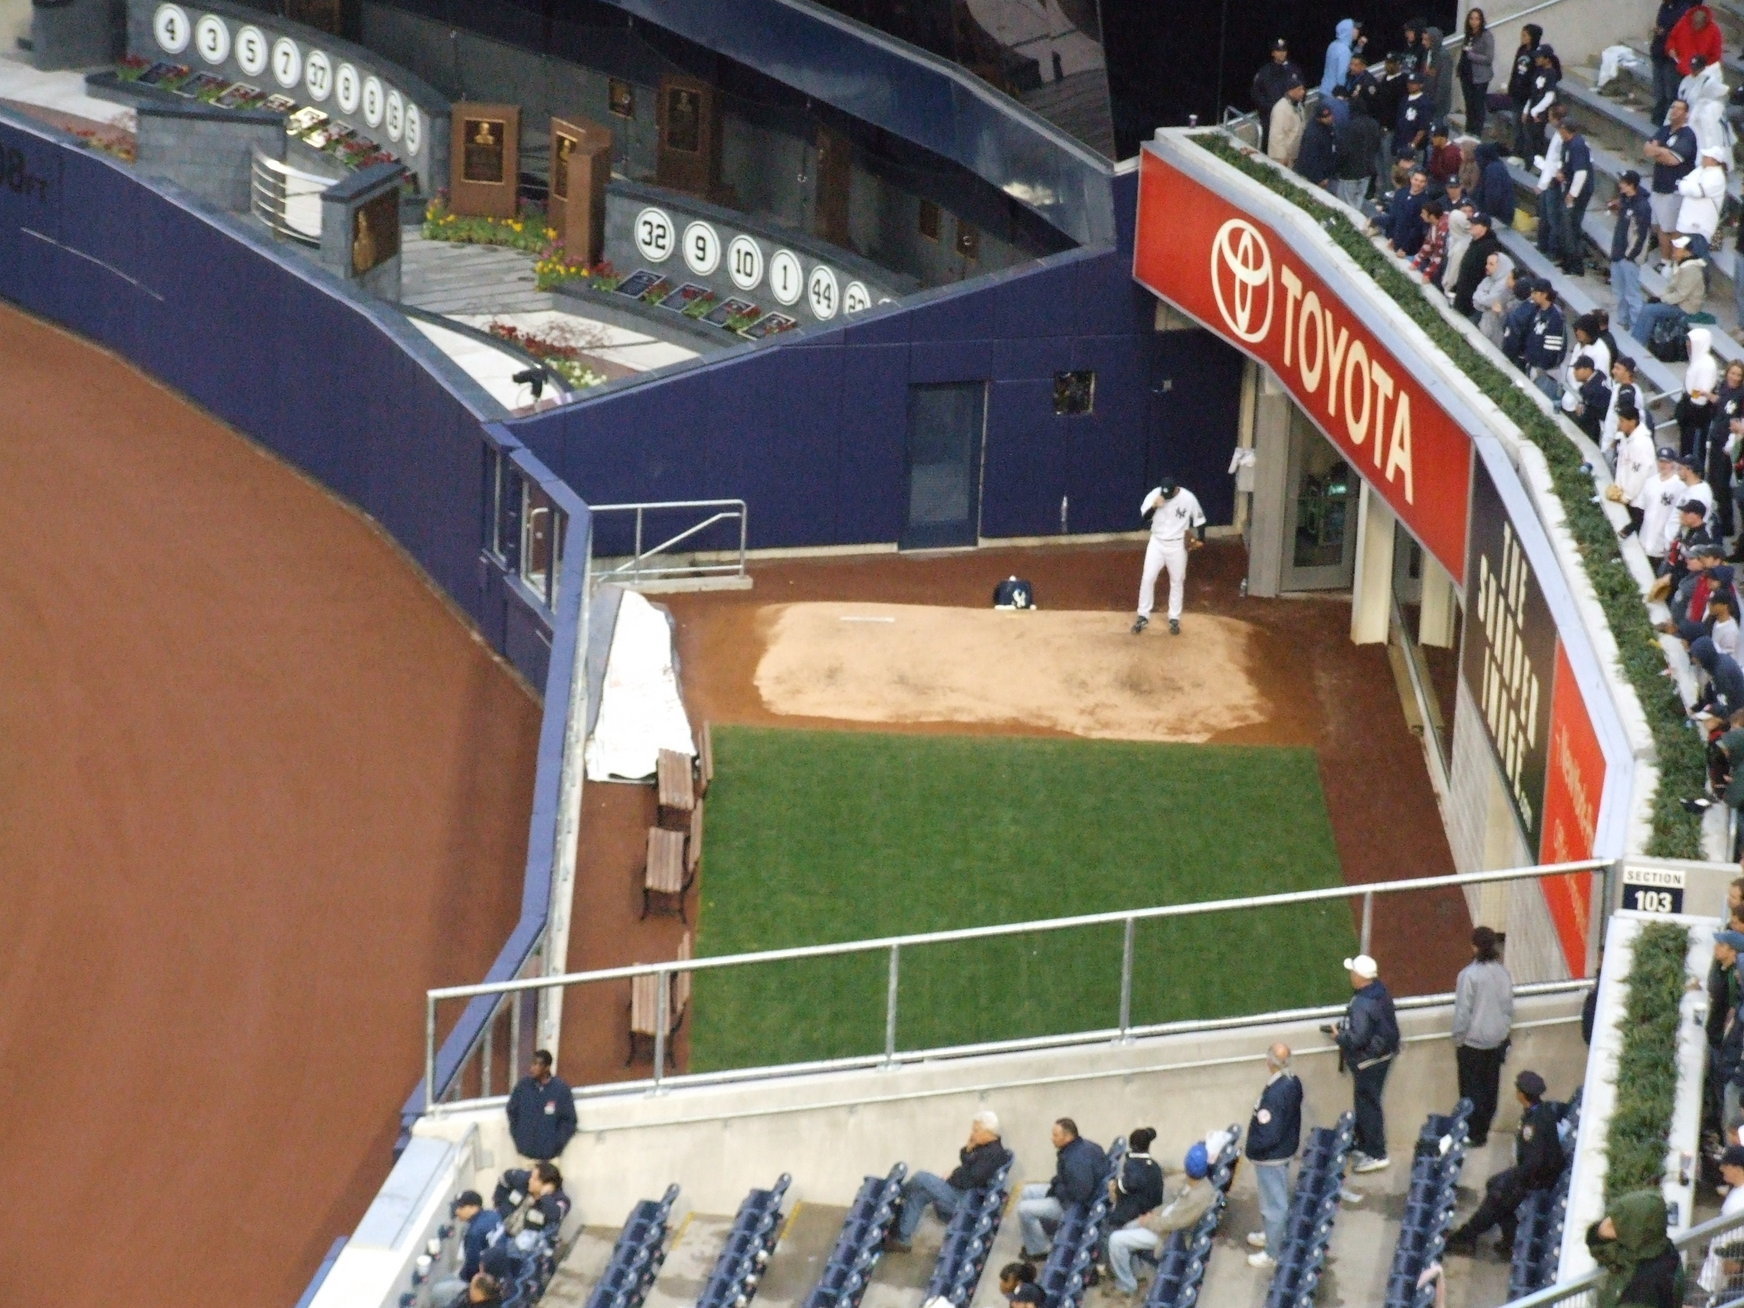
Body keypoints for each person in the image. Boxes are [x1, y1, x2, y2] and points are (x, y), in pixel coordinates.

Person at [1445, 1071, 1568, 1254]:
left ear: (1522, 1095)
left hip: (1537, 1178)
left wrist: (1514, 1177)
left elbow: (1534, 1162)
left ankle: (1466, 1237)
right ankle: (1509, 1241)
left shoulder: (1533, 1124)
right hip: (1536, 1172)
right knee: (1496, 1187)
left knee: (1498, 1195)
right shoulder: (1542, 1111)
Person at [888, 1109, 1012, 1250]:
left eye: (976, 1130)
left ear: (987, 1132)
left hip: (965, 1200)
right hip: (961, 1193)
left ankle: (897, 1193)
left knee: (921, 1177)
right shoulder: (984, 1147)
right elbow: (967, 1165)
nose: (972, 1133)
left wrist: (952, 1176)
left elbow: (969, 1180)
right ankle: (902, 1241)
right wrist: (969, 1148)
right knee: (920, 1194)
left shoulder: (993, 1154)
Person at [1106, 1143, 1215, 1296]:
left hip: (1170, 1237)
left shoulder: (1197, 1197)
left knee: (1115, 1240)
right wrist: (1153, 1214)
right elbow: (1173, 1206)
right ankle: (1138, 1272)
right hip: (1164, 1222)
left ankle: (1127, 1285)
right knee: (1128, 1227)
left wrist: (1149, 1221)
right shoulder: (1201, 1183)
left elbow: (1172, 1224)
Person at [1331, 953, 1399, 1172]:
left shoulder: (1362, 1002)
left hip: (1369, 1061)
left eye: (1353, 972)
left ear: (1360, 976)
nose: (1350, 975)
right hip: (1382, 1055)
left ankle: (1376, 1153)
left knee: (1368, 1105)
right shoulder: (1380, 991)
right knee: (1367, 1103)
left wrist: (1339, 1036)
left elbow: (1357, 1038)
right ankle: (1365, 1144)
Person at [1451, 926, 1514, 1146]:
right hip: (1496, 1042)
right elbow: (1508, 1008)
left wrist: (1458, 1039)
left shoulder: (1468, 976)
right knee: (1490, 1090)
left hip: (1472, 1044)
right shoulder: (1503, 973)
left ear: (1475, 947)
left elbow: (1462, 1012)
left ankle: (1473, 1133)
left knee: (1471, 1091)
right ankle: (1481, 1131)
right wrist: (1503, 1033)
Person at [1244, 1043, 1303, 1271]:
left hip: (1271, 1156)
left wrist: (1252, 1148)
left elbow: (1269, 1132)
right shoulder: (1292, 1081)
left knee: (1274, 1205)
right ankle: (1271, 1234)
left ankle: (1272, 1252)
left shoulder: (1276, 1093)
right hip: (1282, 1150)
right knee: (1272, 1201)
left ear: (1270, 1062)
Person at [1017, 1118, 1109, 1259]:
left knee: (1023, 1209)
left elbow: (1081, 1194)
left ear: (1067, 1137)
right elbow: (1066, 1179)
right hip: (1070, 1193)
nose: (1051, 1138)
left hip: (1076, 1207)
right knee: (1027, 1191)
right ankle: (1037, 1237)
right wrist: (1056, 1185)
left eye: (1055, 1135)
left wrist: (1056, 1189)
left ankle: (1039, 1250)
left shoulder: (1075, 1160)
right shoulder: (1085, 1146)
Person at [1131, 477, 1205, 637]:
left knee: (1177, 580)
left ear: (1176, 489)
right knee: (1148, 577)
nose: (1166, 497)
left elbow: (1199, 520)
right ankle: (1143, 615)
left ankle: (1174, 618)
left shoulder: (1188, 498)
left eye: (1169, 494)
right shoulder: (1155, 495)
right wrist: (1154, 506)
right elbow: (1144, 518)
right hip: (1156, 543)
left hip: (1177, 545)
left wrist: (1201, 539)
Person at [1586, 1191, 1684, 1308]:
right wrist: (1599, 1234)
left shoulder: (1640, 1291)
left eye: (1620, 1222)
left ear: (1636, 1230)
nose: (1609, 1223)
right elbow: (1603, 1249)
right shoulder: (1660, 1248)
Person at [429, 1192, 506, 1305]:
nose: (456, 1211)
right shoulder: (493, 1215)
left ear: (473, 1207)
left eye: (460, 1207)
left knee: (437, 1291)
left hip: (483, 1284)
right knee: (447, 1279)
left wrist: (461, 1278)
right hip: (500, 1272)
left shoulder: (474, 1233)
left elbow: (472, 1268)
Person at [1645, 100, 1698, 266]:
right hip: (1659, 185)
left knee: (1671, 228)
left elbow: (1673, 160)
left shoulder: (1687, 135)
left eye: (1678, 108)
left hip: (1674, 188)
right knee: (1659, 226)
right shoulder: (1665, 129)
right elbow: (1647, 149)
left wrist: (1659, 151)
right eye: (1672, 107)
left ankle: (1672, 262)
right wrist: (1662, 151)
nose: (1674, 111)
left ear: (1686, 114)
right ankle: (1664, 260)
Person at [505, 1049, 577, 1162]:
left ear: (547, 1067)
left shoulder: (560, 1090)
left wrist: (556, 1144)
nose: (532, 1068)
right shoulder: (523, 1087)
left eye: (537, 1064)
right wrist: (519, 1138)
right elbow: (512, 1111)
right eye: (532, 1064)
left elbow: (569, 1121)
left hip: (550, 1157)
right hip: (525, 1154)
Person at [1633, 237, 1706, 347]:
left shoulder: (1691, 269)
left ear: (1686, 251)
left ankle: (1638, 343)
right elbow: (1671, 288)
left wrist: (1662, 299)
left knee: (1649, 310)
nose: (1674, 251)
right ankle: (1639, 340)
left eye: (1677, 249)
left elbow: (1681, 295)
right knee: (1647, 306)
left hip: (1686, 307)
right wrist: (1661, 298)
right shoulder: (1681, 264)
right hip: (1678, 303)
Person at [1609, 172, 1654, 332]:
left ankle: (1637, 328)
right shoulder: (1626, 200)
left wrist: (1631, 256)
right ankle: (1623, 321)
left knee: (1632, 294)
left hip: (1629, 257)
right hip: (1617, 253)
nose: (1620, 185)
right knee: (1619, 292)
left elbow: (1641, 235)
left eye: (1623, 182)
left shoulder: (1642, 206)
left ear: (1631, 185)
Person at [1697, 1146, 1744, 1301]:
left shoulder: (1740, 1202)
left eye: (1726, 1164)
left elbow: (1736, 1237)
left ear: (1738, 1168)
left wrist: (1732, 1259)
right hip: (1714, 1273)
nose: (1721, 1168)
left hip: (1719, 1278)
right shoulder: (1737, 1191)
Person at [1552, 118, 1594, 274]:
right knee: (1567, 224)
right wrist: (1561, 171)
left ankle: (1575, 264)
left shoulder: (1577, 146)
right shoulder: (1567, 143)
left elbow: (1581, 172)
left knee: (1571, 225)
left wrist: (1572, 194)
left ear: (1565, 130)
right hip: (1570, 187)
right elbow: (1565, 162)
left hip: (1579, 192)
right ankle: (1567, 259)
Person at [1253, 38, 1306, 153]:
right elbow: (1257, 94)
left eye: (1284, 50)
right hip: (1270, 116)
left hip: (1290, 115)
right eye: (1278, 51)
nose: (1282, 53)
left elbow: (1302, 91)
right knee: (1270, 146)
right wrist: (1271, 108)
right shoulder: (1264, 72)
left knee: (1291, 144)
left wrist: (1296, 107)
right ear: (1273, 53)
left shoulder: (1294, 70)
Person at [1335, 90, 1382, 208]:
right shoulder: (1374, 124)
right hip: (1367, 170)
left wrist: (1337, 167)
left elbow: (1343, 150)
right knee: (1358, 203)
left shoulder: (1350, 126)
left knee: (1346, 205)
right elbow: (1376, 145)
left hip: (1350, 172)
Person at [1652, 0, 1696, 123]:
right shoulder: (1666, 6)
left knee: (1669, 92)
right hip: (1659, 51)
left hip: (1672, 58)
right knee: (1659, 89)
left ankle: (1667, 120)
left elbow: (1680, 34)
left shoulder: (1683, 9)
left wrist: (1665, 33)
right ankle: (1658, 116)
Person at [1452, 211, 1502, 317]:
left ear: (1484, 228)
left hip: (1472, 301)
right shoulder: (1475, 242)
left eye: (1475, 224)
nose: (1471, 226)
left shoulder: (1490, 247)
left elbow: (1486, 275)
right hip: (1463, 295)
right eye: (1471, 223)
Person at [1524, 279, 1568, 399]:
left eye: (1535, 293)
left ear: (1544, 294)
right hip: (1531, 364)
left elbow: (1551, 351)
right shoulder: (1537, 310)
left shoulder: (1555, 318)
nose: (1532, 296)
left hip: (1544, 373)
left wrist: (1540, 369)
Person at [1507, 25, 1544, 157]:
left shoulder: (1536, 55)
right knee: (1516, 122)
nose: (1522, 38)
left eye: (1525, 35)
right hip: (1517, 92)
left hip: (1527, 94)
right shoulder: (1521, 50)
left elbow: (1534, 76)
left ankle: (1525, 153)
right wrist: (1511, 86)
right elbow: (1515, 69)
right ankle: (1516, 150)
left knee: (1525, 126)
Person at [1459, 9, 1495, 138]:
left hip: (1480, 77)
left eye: (1477, 19)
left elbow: (1489, 58)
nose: (1474, 22)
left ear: (1481, 20)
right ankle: (1468, 131)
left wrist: (1472, 56)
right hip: (1466, 75)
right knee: (1469, 105)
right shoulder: (1468, 35)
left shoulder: (1486, 35)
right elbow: (1464, 52)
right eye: (1471, 18)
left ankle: (1476, 133)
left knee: (1478, 106)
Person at [1522, 45, 1560, 165]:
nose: (1536, 59)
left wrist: (1535, 111)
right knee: (1528, 139)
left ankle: (1536, 164)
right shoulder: (1538, 71)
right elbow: (1533, 93)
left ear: (1547, 59)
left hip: (1539, 114)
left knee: (1536, 139)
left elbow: (1549, 97)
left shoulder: (1551, 74)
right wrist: (1526, 110)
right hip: (1532, 109)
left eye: (1539, 57)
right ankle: (1528, 162)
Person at [1667, 4, 1723, 84]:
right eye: (1693, 22)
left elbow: (1715, 56)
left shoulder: (1714, 32)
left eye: (1697, 23)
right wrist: (1671, 48)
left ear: (1704, 22)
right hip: (1676, 66)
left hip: (1695, 74)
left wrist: (1702, 67)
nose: (1694, 26)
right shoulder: (1684, 21)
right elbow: (1672, 38)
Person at [1475, 252, 1516, 343]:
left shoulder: (1504, 286)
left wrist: (1482, 298)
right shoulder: (1488, 279)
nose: (1487, 266)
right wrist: (1482, 299)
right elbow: (1476, 297)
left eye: (1491, 264)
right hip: (1482, 320)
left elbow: (1490, 301)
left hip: (1493, 331)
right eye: (1487, 263)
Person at [1297, 104, 1340, 188]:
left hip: (1328, 172)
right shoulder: (1313, 134)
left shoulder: (1329, 126)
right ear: (1319, 118)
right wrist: (1319, 179)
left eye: (1330, 114)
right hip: (1315, 177)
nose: (1330, 118)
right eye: (1326, 117)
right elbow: (1311, 158)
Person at [1475, 140, 1514, 226]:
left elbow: (1493, 198)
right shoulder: (1492, 166)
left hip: (1499, 218)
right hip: (1496, 214)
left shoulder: (1493, 170)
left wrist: (1484, 217)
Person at [1268, 82, 1307, 168]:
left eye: (1303, 89)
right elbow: (1276, 135)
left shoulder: (1298, 105)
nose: (1303, 92)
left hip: (1295, 154)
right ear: (1290, 91)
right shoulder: (1281, 108)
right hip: (1284, 158)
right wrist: (1281, 157)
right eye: (1299, 89)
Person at [1397, 70, 1433, 160]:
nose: (1410, 85)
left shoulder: (1424, 103)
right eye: (1409, 83)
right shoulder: (1405, 99)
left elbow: (1423, 128)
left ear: (1421, 85)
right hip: (1401, 143)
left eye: (1413, 83)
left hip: (1415, 148)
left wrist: (1413, 144)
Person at [1321, 20, 1360, 99]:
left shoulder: (1333, 44)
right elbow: (1341, 76)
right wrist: (1342, 96)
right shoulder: (1344, 50)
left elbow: (1349, 58)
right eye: (1355, 28)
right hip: (1333, 95)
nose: (1358, 31)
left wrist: (1359, 46)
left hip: (1323, 91)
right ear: (1348, 31)